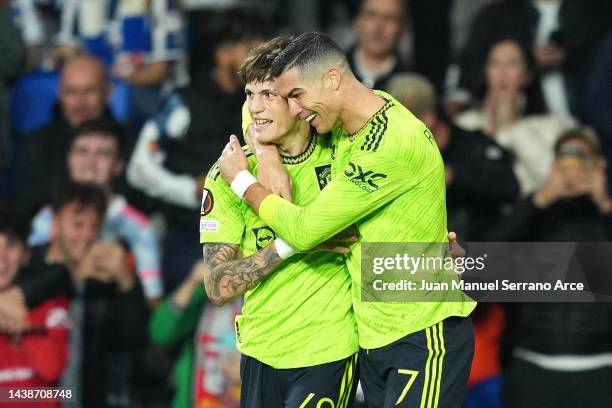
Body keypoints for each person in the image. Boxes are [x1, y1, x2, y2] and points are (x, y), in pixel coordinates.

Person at [218, 32, 475, 408]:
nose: (294, 109)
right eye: (285, 98)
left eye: (297, 96)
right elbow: (257, 112)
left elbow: (305, 231)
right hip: (374, 336)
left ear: (333, 79)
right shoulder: (357, 114)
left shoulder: (388, 146)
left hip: (422, 330)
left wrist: (243, 182)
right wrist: (266, 154)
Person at [127, 15, 263, 292]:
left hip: (246, 235)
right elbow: (139, 167)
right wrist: (189, 189)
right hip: (189, 236)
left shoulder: (259, 105)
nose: (261, 63)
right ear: (223, 55)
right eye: (251, 51)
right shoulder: (184, 103)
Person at [487, 127, 612, 407]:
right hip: (532, 367)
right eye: (565, 159)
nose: (574, 168)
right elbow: (484, 263)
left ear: (599, 164)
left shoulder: (605, 215)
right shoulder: (535, 213)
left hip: (602, 368)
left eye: (583, 158)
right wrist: (541, 197)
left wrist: (604, 201)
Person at [28, 182, 149, 408]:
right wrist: (73, 280)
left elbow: (134, 341)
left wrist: (126, 282)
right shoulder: (29, 266)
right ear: (55, 223)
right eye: (78, 225)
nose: (87, 236)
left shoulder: (106, 280)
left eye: (94, 227)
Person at [28, 118, 163, 302]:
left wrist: (125, 278)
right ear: (69, 159)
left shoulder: (139, 228)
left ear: (118, 166)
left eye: (103, 154)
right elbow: (26, 283)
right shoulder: (46, 216)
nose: (89, 163)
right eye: (82, 151)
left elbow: (152, 302)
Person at [387, 73, 518, 240]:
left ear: (428, 117)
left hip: (479, 249)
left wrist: (452, 176)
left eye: (401, 122)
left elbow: (509, 187)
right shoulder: (395, 153)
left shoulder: (473, 145)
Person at [454, 38, 573, 195]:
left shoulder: (551, 126)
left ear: (527, 75)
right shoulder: (465, 123)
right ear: (486, 72)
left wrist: (514, 127)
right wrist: (487, 129)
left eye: (512, 63)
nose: (502, 72)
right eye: (495, 64)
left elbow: (555, 180)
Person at [13, 54, 117, 219]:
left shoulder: (129, 142)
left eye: (89, 91)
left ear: (108, 92)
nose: (80, 102)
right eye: (71, 92)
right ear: (59, 94)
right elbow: (25, 204)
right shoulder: (35, 144)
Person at [0, 206, 71, 408]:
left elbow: (52, 368)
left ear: (26, 255)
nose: (2, 258)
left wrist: (22, 330)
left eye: (11, 246)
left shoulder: (51, 304)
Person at [150, 261, 241, 408]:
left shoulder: (263, 295)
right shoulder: (201, 295)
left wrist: (250, 373)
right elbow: (160, 334)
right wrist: (192, 282)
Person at [347, 0, 409, 90]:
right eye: (371, 15)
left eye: (389, 18)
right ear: (357, 21)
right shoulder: (329, 73)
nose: (378, 26)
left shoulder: (411, 86)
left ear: (402, 28)